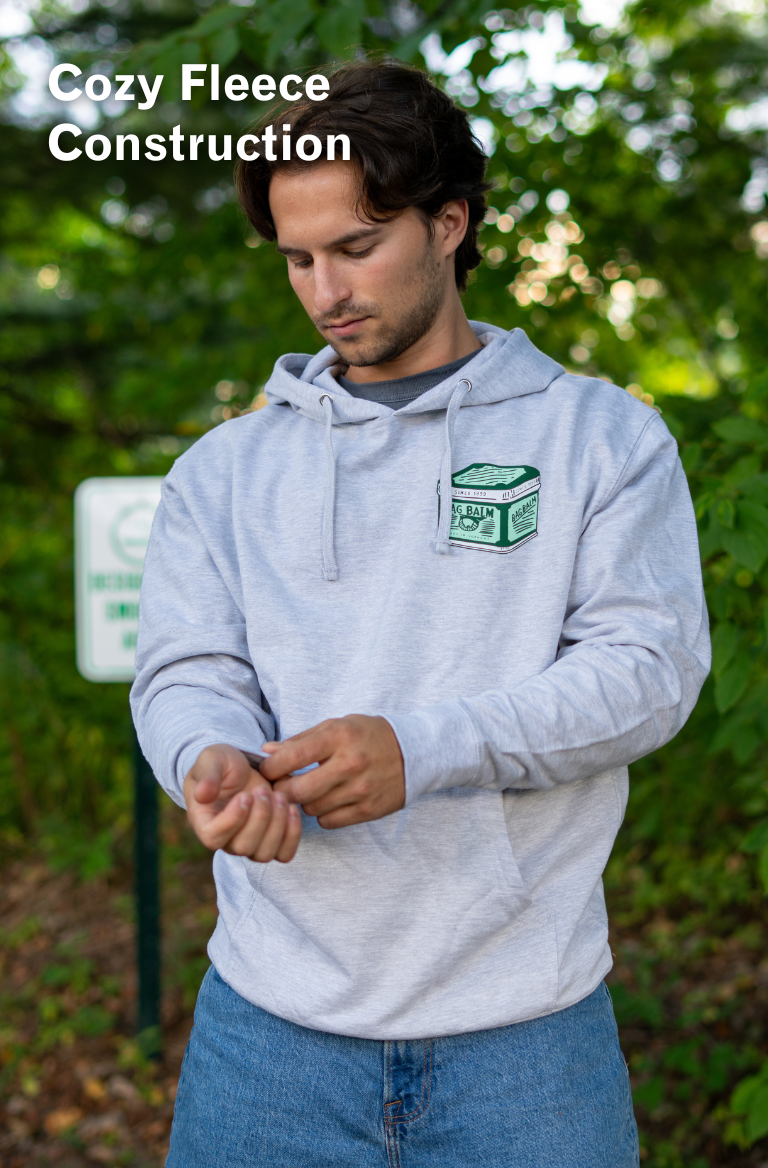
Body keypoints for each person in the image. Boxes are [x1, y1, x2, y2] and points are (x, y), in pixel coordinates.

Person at [131, 60, 710, 1168]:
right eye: (299, 258)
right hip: (268, 1037)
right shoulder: (225, 471)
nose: (323, 290)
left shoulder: (598, 441)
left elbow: (648, 669)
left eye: (357, 247)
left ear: (451, 222)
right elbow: (187, 667)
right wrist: (203, 756)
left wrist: (425, 747)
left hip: (526, 1041)